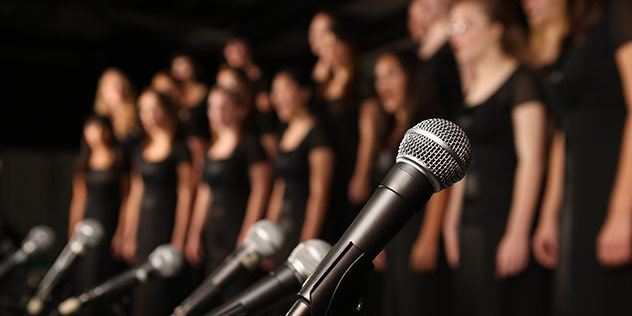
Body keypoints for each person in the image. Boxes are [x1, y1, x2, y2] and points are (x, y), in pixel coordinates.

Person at [442, 1, 549, 315]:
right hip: (470, 225)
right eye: (451, 28)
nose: (455, 36)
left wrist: (517, 232)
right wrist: (450, 224)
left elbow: (533, 160)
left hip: (504, 219)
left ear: (495, 30)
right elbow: (463, 164)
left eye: (464, 26)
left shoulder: (520, 81)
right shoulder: (468, 95)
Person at [527, 0, 632, 315]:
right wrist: (549, 215)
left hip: (614, 180)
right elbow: (564, 134)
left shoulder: (616, 12)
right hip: (579, 190)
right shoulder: (569, 36)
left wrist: (623, 212)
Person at [372, 50, 448, 316]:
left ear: (411, 77)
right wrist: (377, 240)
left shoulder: (426, 125)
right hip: (394, 238)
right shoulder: (388, 128)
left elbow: (440, 184)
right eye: (378, 77)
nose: (382, 84)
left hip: (417, 231)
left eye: (390, 74)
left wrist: (429, 236)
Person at [120, 89, 193, 316]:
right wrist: (128, 234)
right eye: (143, 110)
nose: (149, 115)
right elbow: (135, 195)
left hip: (167, 225)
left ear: (166, 110)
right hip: (145, 229)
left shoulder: (180, 149)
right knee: (142, 293)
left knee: (162, 294)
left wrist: (179, 239)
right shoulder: (141, 149)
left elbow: (186, 195)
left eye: (154, 109)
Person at [184, 86, 271, 275]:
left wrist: (247, 234)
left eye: (223, 107)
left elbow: (260, 190)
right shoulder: (211, 148)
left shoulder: (250, 145)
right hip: (214, 231)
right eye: (212, 107)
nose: (216, 113)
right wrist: (194, 233)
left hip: (238, 225)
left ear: (240, 111)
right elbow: (204, 192)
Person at [265, 69, 334, 263]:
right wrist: (271, 235)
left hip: (307, 226)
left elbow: (319, 191)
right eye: (274, 91)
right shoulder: (284, 132)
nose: (277, 98)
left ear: (304, 93)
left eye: (284, 90)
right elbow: (279, 187)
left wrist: (306, 244)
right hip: (284, 229)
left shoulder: (318, 133)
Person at [67, 116, 126, 316]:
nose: (95, 133)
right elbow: (78, 199)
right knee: (85, 273)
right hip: (88, 221)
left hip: (109, 220)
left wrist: (123, 231)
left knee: (103, 272)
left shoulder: (118, 157)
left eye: (99, 128)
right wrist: (73, 230)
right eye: (90, 129)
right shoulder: (85, 160)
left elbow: (127, 197)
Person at [170, 53, 209, 190]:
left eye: (185, 64)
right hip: (179, 146)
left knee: (200, 183)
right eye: (177, 64)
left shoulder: (204, 92)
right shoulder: (173, 94)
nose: (182, 68)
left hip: (199, 145)